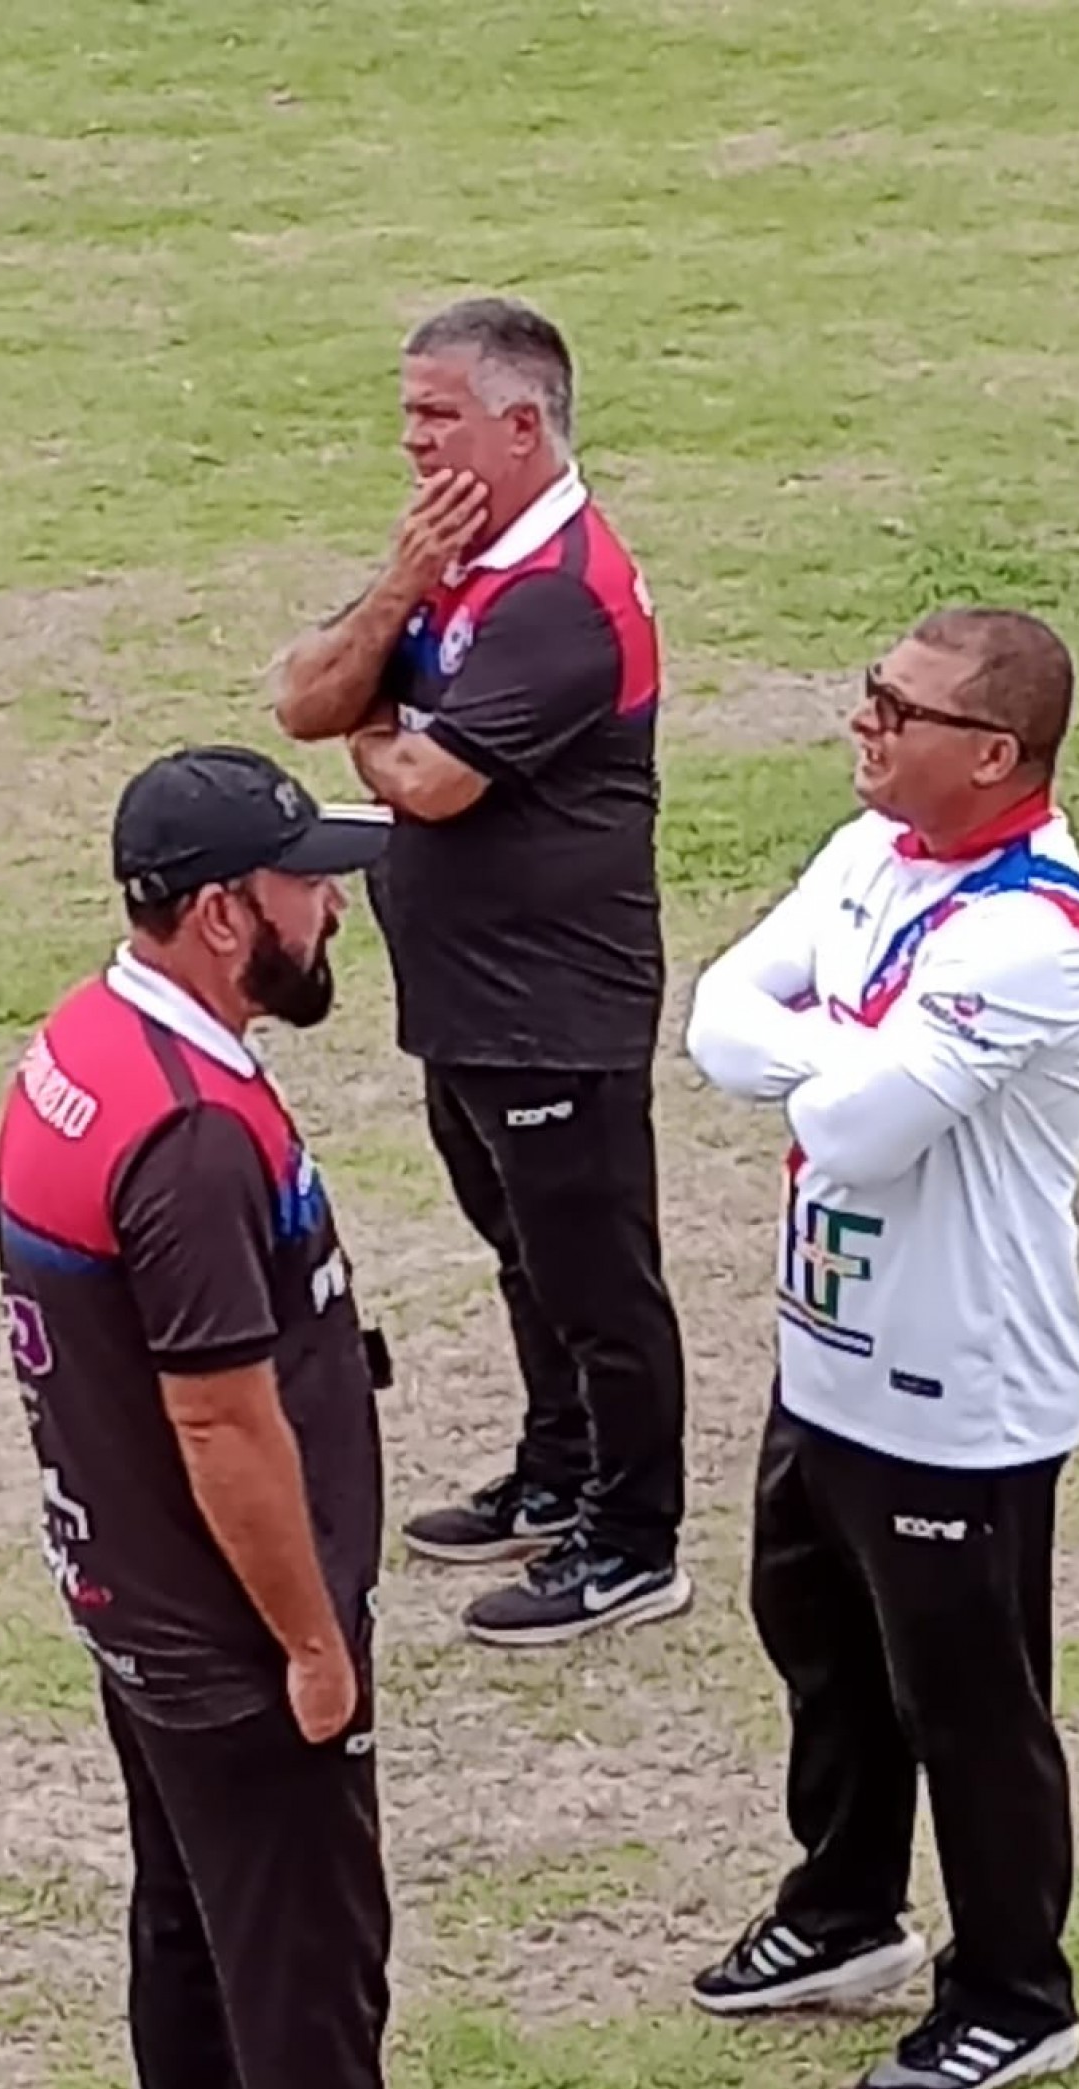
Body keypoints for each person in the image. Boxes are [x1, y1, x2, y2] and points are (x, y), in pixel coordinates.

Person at [0, 744, 575, 2089]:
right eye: (313, 884)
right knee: (307, 1964)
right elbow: (219, 1415)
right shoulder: (183, 1130)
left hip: (130, 1600)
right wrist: (313, 1636)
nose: (339, 909)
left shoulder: (83, 1053)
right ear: (228, 913)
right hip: (231, 1630)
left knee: (186, 1922)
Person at [683, 610, 1079, 2089]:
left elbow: (857, 1132)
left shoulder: (1030, 940)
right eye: (871, 693)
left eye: (899, 709)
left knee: (971, 1704)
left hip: (962, 1389)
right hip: (828, 1358)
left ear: (992, 754)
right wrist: (849, 1050)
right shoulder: (870, 857)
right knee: (815, 1638)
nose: (863, 725)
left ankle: (1013, 1992)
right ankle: (846, 1909)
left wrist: (825, 1057)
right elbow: (717, 1017)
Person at [273, 295, 689, 1650]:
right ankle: (556, 1472)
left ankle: (635, 1543)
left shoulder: (563, 598)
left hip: (552, 1004)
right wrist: (396, 594)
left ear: (520, 424)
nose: (411, 442)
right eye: (408, 414)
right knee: (520, 1254)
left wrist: (384, 732)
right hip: (465, 992)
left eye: (434, 414)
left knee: (598, 1280)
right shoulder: (459, 560)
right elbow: (304, 697)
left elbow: (433, 782)